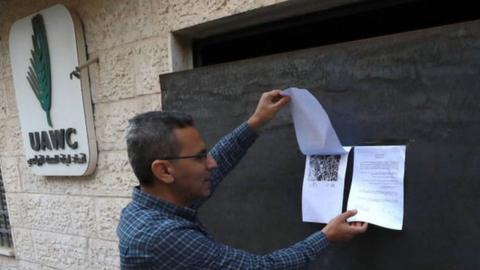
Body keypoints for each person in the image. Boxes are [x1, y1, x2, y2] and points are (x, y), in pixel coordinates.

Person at [117, 90, 368, 270]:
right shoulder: (163, 237)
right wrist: (326, 237)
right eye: (200, 157)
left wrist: (256, 121)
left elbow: (219, 163)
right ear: (164, 171)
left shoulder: (147, 207)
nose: (211, 163)